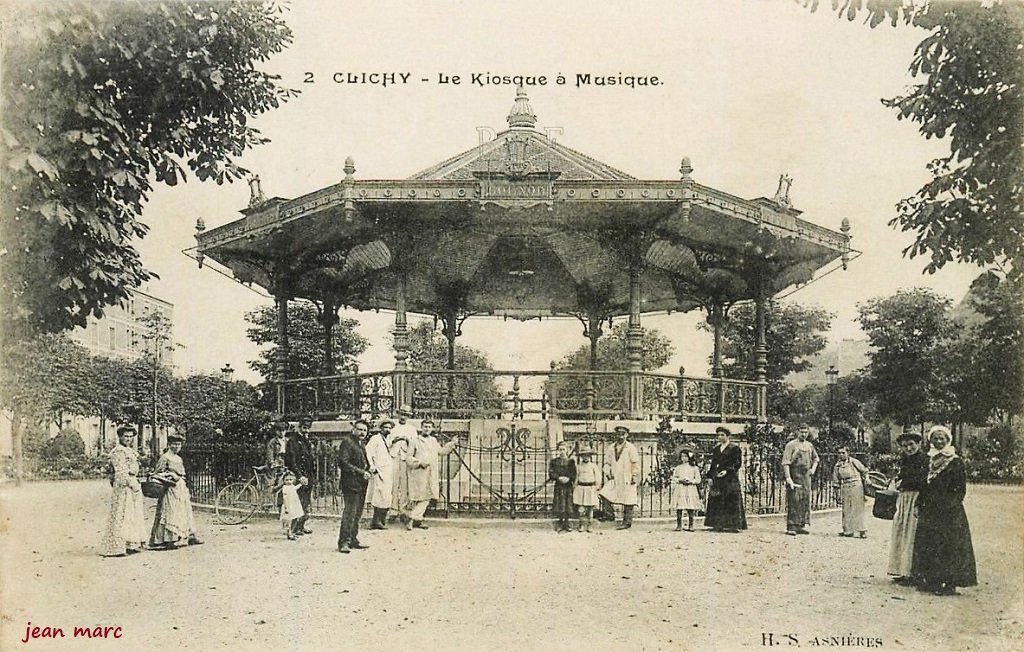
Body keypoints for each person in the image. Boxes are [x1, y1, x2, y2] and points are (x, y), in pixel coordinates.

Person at [911, 425, 977, 595]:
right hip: (929, 509)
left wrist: (949, 505)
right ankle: (931, 581)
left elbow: (960, 489)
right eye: (935, 438)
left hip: (949, 511)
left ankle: (949, 583)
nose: (939, 441)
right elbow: (923, 486)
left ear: (948, 440)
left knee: (948, 545)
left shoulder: (955, 461)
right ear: (930, 440)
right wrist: (919, 504)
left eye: (942, 438)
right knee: (929, 544)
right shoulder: (929, 460)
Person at [100, 426, 148, 557]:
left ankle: (131, 544)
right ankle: (117, 547)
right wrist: (130, 483)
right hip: (124, 486)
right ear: (120, 437)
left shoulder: (129, 451)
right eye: (125, 436)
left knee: (132, 514)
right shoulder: (118, 451)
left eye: (130, 436)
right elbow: (121, 471)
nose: (128, 439)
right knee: (122, 513)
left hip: (132, 483)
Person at [888, 431, 928, 585]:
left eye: (911, 444)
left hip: (916, 497)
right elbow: (903, 476)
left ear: (918, 444)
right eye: (905, 446)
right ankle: (901, 570)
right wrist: (898, 480)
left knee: (911, 533)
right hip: (904, 498)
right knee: (901, 531)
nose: (908, 448)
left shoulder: (925, 460)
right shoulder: (906, 459)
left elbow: (922, 480)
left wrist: (903, 483)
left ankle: (912, 573)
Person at [149, 433, 202, 549]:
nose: (177, 447)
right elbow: (156, 474)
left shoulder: (179, 458)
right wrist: (170, 474)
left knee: (184, 511)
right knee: (171, 512)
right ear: (169, 444)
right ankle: (169, 539)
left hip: (180, 488)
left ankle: (188, 536)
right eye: (174, 444)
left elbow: (182, 474)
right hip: (170, 489)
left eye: (179, 444)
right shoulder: (165, 457)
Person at [405, 418, 458, 530]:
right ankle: (413, 518)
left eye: (429, 427)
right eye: (425, 426)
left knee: (427, 496)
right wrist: (419, 463)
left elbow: (442, 452)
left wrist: (452, 444)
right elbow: (408, 458)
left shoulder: (433, 441)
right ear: (421, 428)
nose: (427, 429)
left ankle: (416, 520)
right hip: (419, 473)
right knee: (420, 498)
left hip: (431, 473)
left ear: (432, 428)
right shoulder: (415, 440)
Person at [336, 420, 372, 553]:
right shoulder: (347, 442)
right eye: (360, 429)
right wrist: (362, 472)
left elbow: (363, 461)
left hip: (361, 483)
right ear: (354, 430)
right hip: (350, 484)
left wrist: (369, 469)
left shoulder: (360, 443)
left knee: (357, 513)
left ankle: (353, 539)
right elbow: (343, 462)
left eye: (364, 430)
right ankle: (343, 542)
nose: (362, 432)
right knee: (350, 513)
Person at [703, 426, 747, 532]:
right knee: (717, 499)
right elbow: (713, 464)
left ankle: (733, 525)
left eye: (722, 435)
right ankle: (717, 525)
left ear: (728, 436)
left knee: (731, 499)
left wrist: (727, 471)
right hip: (718, 477)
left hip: (730, 478)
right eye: (718, 435)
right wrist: (710, 476)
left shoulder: (734, 448)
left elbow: (737, 463)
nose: (719, 437)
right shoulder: (716, 449)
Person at [598, 425, 640, 530]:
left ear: (626, 435)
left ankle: (627, 522)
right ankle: (609, 515)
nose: (620, 436)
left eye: (623, 434)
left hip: (627, 477)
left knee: (628, 500)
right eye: (618, 434)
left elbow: (635, 463)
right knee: (604, 493)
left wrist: (634, 475)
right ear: (615, 435)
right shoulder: (611, 448)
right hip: (615, 477)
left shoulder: (630, 448)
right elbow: (607, 463)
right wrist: (607, 472)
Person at [782, 425, 819, 535]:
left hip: (806, 477)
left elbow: (816, 459)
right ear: (797, 432)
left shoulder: (809, 445)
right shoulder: (791, 445)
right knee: (794, 500)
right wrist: (788, 478)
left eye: (806, 432)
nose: (804, 434)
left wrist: (813, 469)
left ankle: (801, 525)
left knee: (804, 499)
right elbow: (785, 463)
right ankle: (792, 526)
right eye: (802, 432)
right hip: (795, 475)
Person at [284, 419, 316, 536]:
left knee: (305, 502)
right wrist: (300, 476)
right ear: (299, 427)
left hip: (308, 475)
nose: (306, 430)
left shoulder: (307, 441)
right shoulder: (293, 441)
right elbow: (291, 461)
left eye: (308, 428)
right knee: (296, 502)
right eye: (304, 428)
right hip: (298, 476)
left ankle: (301, 526)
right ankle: (293, 529)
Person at [831, 446, 868, 538]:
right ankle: (848, 530)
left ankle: (862, 530)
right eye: (839, 453)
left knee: (858, 507)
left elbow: (864, 471)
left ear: (848, 453)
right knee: (846, 508)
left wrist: (867, 479)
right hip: (846, 486)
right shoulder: (837, 466)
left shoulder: (854, 462)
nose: (841, 455)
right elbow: (836, 481)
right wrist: (837, 494)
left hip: (856, 484)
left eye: (843, 453)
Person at [389, 407, 418, 521]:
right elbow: (387, 441)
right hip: (394, 456)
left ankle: (403, 510)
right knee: (394, 483)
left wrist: (407, 440)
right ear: (398, 414)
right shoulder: (392, 427)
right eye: (401, 414)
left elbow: (415, 444)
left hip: (405, 457)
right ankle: (393, 510)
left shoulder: (412, 429)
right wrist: (395, 440)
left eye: (405, 415)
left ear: (408, 416)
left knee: (405, 484)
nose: (402, 417)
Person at [365, 421, 394, 529]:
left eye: (389, 428)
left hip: (387, 472)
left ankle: (381, 520)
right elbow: (368, 452)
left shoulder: (387, 440)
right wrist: (372, 466)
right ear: (381, 428)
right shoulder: (376, 438)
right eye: (385, 427)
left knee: (386, 496)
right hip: (379, 471)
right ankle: (376, 521)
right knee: (379, 496)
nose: (387, 429)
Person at [670, 448, 702, 532]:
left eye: (685, 456)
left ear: (689, 457)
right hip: (680, 488)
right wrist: (680, 480)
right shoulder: (678, 468)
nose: (683, 458)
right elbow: (674, 478)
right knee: (679, 507)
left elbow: (698, 479)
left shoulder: (694, 468)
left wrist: (691, 481)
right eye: (682, 456)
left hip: (690, 488)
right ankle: (679, 525)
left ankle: (691, 525)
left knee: (690, 507)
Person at [548, 441, 577, 532]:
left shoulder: (571, 462)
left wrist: (568, 478)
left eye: (563, 449)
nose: (562, 451)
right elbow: (551, 472)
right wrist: (558, 477)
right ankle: (560, 522)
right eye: (560, 449)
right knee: (560, 503)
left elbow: (574, 473)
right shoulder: (554, 461)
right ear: (558, 450)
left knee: (568, 503)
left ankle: (567, 523)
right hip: (559, 485)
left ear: (567, 450)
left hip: (568, 486)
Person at [573, 447, 601, 532]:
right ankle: (581, 525)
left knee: (590, 509)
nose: (586, 457)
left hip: (590, 489)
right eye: (584, 456)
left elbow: (598, 477)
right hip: (581, 488)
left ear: (590, 456)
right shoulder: (578, 466)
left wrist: (597, 487)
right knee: (581, 509)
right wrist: (575, 486)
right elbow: (576, 477)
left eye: (587, 456)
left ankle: (590, 525)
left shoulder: (593, 466)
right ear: (581, 457)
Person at [279, 471, 306, 541]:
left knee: (295, 518)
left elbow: (295, 488)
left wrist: (301, 484)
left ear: (293, 480)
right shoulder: (285, 487)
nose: (289, 482)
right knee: (289, 520)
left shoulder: (292, 486)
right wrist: (286, 507)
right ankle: (289, 534)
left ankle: (292, 532)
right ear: (284, 481)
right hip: (288, 505)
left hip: (294, 505)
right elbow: (285, 498)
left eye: (290, 480)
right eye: (286, 480)